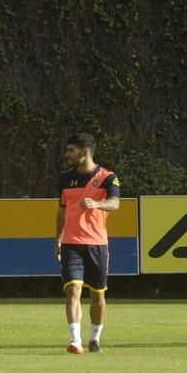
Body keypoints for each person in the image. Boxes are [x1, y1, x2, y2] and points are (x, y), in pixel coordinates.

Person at [55, 133, 120, 354]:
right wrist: (58, 239)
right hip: (71, 244)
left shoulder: (107, 177)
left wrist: (97, 203)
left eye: (71, 151)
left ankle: (95, 338)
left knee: (97, 296)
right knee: (73, 290)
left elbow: (115, 203)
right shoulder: (65, 179)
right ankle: (75, 341)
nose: (67, 155)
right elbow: (61, 213)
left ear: (85, 152)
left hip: (97, 245)